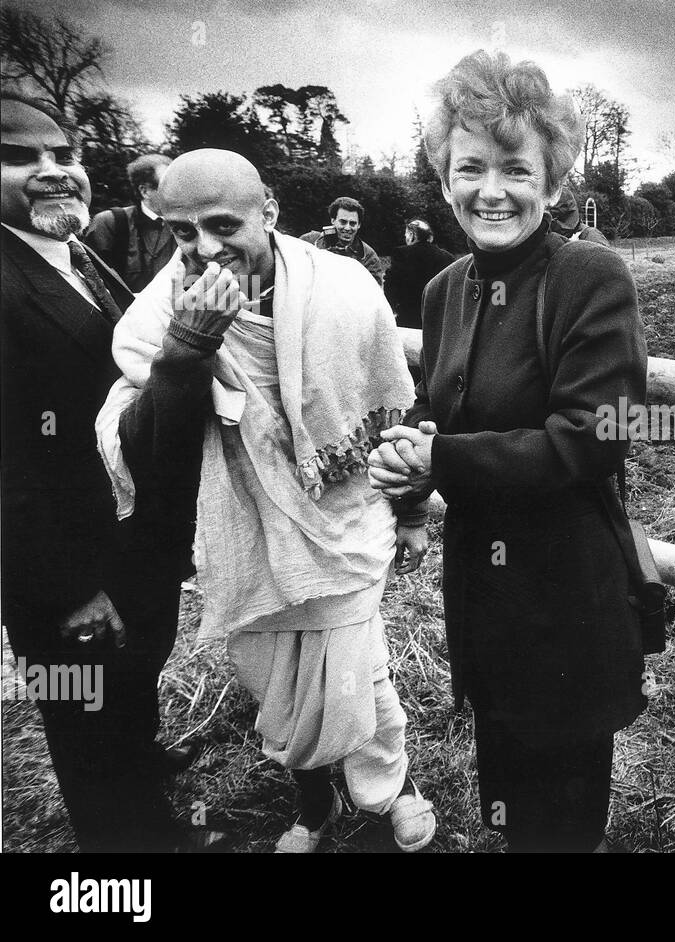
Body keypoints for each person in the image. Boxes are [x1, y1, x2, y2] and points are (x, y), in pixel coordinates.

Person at [96, 149, 437, 853]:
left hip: (344, 520)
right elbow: (140, 446)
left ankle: (390, 786)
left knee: (360, 671)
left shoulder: (345, 284)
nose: (205, 249)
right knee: (274, 687)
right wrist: (186, 350)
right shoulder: (159, 311)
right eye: (183, 233)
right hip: (240, 539)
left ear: (269, 212)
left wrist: (408, 513)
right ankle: (314, 804)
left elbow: (390, 404)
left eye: (224, 225)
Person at [368, 50, 648, 852]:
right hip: (483, 589)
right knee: (507, 796)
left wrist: (441, 461)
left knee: (560, 811)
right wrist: (409, 459)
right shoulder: (444, 287)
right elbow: (442, 408)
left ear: (552, 182)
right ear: (445, 177)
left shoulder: (589, 276)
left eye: (516, 169)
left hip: (565, 590)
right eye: (470, 168)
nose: (491, 190)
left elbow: (595, 438)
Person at [1, 93, 207, 852]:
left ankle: (142, 765)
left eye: (64, 155)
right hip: (65, 572)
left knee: (129, 682)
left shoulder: (72, 251)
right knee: (84, 716)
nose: (54, 172)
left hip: (125, 540)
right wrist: (67, 590)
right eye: (21, 158)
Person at [83, 153, 176, 292]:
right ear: (144, 191)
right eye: (168, 187)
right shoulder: (109, 222)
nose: (177, 193)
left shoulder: (186, 225)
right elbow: (92, 281)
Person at [384, 218, 455, 330]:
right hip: (439, 323)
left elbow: (391, 285)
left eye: (406, 234)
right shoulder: (448, 257)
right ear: (429, 237)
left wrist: (392, 310)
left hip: (407, 320)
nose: (406, 238)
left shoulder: (402, 253)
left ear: (412, 235)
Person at [301, 196, 385, 285]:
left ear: (359, 225)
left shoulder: (368, 257)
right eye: (343, 222)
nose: (348, 228)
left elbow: (374, 292)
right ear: (333, 220)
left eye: (352, 223)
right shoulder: (310, 241)